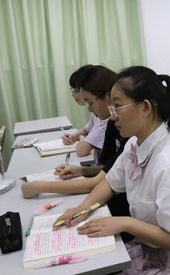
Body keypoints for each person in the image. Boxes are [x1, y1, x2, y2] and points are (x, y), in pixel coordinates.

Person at [53, 66, 170, 274]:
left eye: (117, 107)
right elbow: (111, 183)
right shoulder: (134, 145)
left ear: (145, 108)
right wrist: (82, 209)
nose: (112, 117)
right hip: (154, 249)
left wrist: (127, 223)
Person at [21, 65, 129, 199]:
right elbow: (108, 167)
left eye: (90, 102)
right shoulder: (112, 124)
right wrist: (81, 170)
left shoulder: (129, 132)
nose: (89, 109)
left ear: (107, 96)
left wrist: (39, 187)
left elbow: (99, 180)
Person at [63, 64, 108, 157]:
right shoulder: (98, 112)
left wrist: (82, 138)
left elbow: (81, 150)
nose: (74, 95)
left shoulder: (104, 118)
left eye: (76, 90)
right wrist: (73, 137)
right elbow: (86, 129)